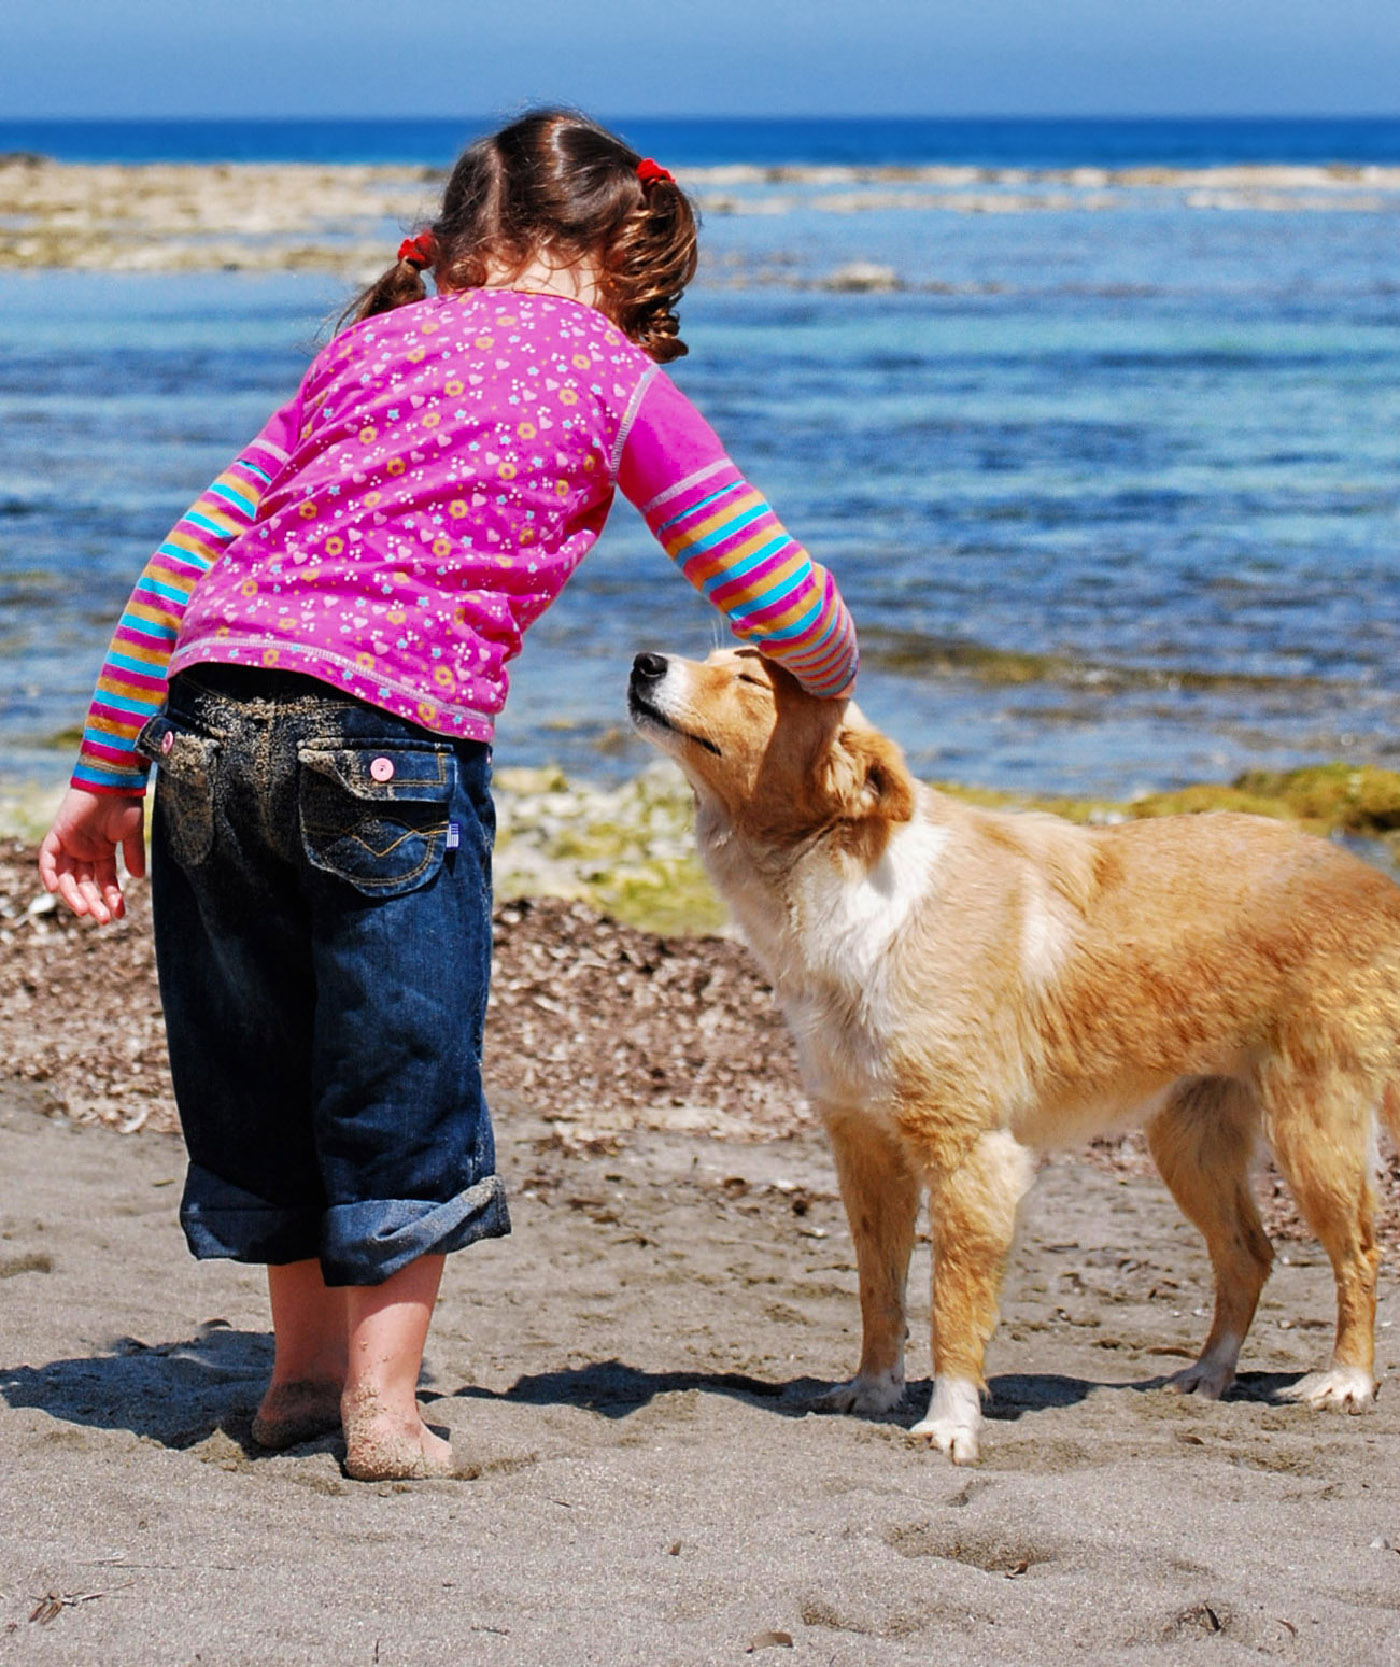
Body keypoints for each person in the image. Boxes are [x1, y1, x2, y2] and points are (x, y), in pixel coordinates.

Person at [38, 109, 859, 1481]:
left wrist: (99, 774)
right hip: (386, 745)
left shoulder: (358, 350)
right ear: (616, 244)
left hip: (206, 730)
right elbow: (765, 581)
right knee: (396, 1070)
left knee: (264, 1066)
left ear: (467, 242)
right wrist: (829, 667)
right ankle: (382, 1414)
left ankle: (295, 1383)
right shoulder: (609, 377)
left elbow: (181, 562)